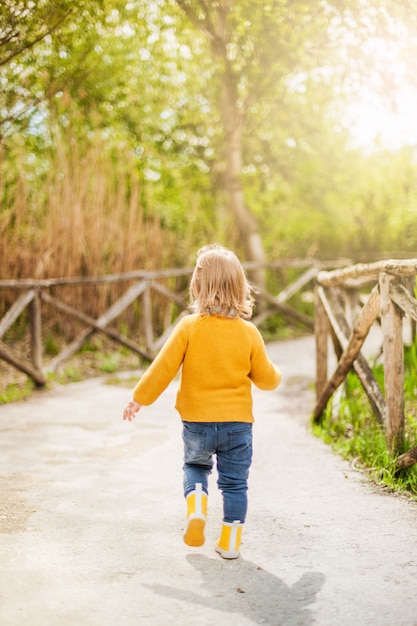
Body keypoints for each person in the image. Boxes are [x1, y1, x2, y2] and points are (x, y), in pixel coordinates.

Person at [122, 244, 282, 559]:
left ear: (197, 286)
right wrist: (278, 374)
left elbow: (162, 368)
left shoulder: (188, 327)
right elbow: (266, 379)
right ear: (240, 287)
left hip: (197, 421)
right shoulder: (248, 333)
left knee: (195, 465)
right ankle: (230, 543)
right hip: (238, 424)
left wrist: (139, 398)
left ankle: (196, 505)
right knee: (235, 485)